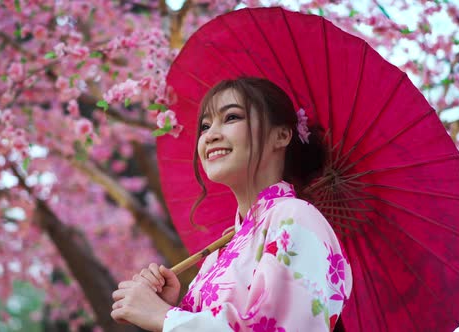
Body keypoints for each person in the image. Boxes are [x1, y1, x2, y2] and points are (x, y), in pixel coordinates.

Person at [111, 77, 352, 332]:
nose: (210, 135)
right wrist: (174, 308)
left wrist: (166, 318)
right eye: (205, 125)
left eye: (232, 118)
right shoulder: (219, 252)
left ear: (281, 135)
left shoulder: (296, 217)